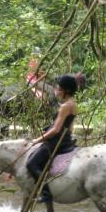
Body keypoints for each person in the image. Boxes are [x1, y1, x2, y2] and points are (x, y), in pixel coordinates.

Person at [27, 74, 78, 203]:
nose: (57, 90)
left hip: (57, 141)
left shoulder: (64, 106)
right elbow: (70, 128)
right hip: (66, 139)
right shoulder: (73, 104)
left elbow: (56, 130)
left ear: (66, 91)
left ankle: (46, 194)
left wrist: (37, 140)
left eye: (59, 88)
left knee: (31, 164)